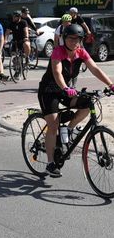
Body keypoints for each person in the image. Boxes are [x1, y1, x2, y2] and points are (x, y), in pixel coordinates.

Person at [37, 24, 114, 177]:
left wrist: (111, 85)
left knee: (87, 104)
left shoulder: (81, 52)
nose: (74, 42)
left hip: (66, 91)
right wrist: (66, 88)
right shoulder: (58, 52)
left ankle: (69, 130)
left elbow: (95, 69)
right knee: (53, 124)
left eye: (77, 39)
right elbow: (57, 72)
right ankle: (50, 163)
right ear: (64, 38)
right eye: (71, 39)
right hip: (49, 91)